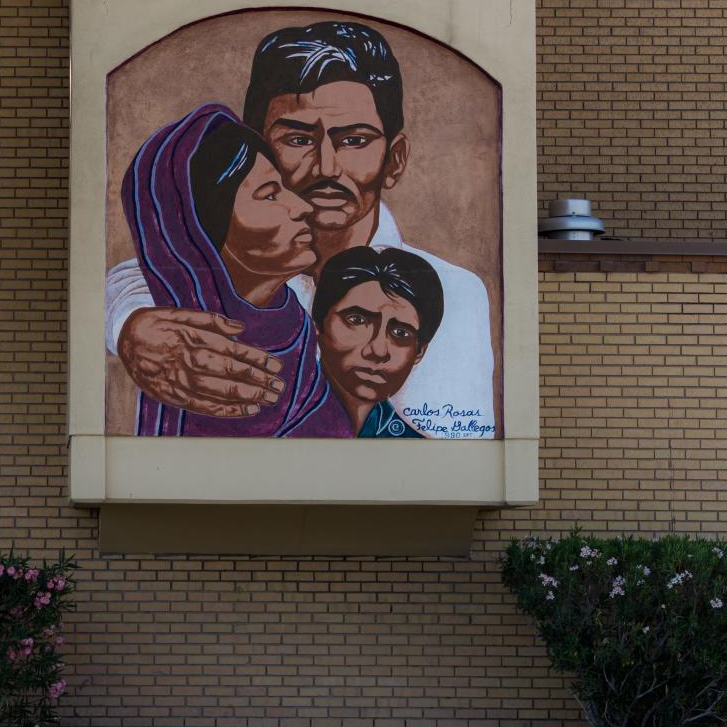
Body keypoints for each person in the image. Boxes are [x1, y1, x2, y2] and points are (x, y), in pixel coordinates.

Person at [108, 21, 495, 438]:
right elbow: (142, 274)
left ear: (395, 158)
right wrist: (131, 326)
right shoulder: (207, 275)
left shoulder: (455, 295)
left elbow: (456, 458)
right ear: (256, 149)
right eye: (297, 139)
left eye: (354, 141)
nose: (327, 167)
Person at [121, 102, 351, 438]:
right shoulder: (182, 359)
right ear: (203, 232)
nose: (302, 207)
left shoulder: (297, 325)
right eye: (270, 195)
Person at [312, 247, 443, 439]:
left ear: (419, 352)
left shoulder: (411, 447)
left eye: (400, 333)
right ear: (318, 325)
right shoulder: (271, 420)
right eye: (356, 320)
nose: (378, 350)